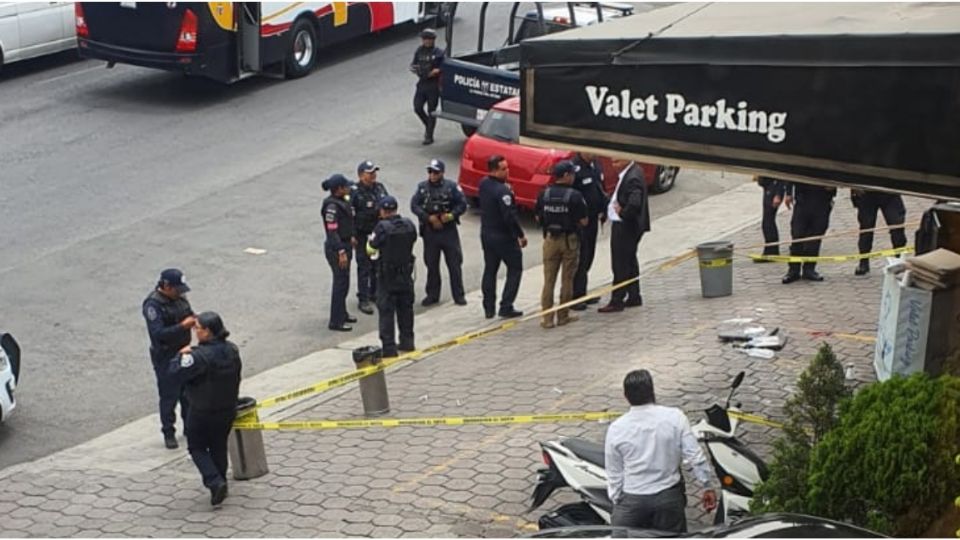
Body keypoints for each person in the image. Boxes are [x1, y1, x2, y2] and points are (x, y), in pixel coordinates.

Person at [605, 370, 717, 532]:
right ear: (652, 391)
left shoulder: (617, 428)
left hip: (632, 499)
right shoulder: (675, 417)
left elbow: (614, 471)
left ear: (625, 395)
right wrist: (707, 486)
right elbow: (695, 456)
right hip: (668, 498)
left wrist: (618, 500)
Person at [169, 311, 241, 507]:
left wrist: (180, 356)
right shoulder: (232, 350)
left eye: (197, 328)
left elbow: (176, 374)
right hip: (227, 409)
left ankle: (214, 481)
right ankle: (221, 482)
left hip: (203, 410)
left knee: (197, 447)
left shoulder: (199, 356)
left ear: (208, 332)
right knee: (218, 445)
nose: (195, 332)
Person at [142, 268, 196, 449]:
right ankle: (168, 432)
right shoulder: (153, 305)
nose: (180, 293)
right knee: (169, 396)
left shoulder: (180, 298)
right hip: (165, 355)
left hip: (184, 351)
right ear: (166, 286)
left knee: (187, 393)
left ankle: (190, 428)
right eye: (176, 289)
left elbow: (190, 313)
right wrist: (182, 326)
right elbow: (158, 334)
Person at [535, 160, 588, 329]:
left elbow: (537, 217)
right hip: (568, 240)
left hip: (550, 240)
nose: (574, 177)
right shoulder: (575, 196)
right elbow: (584, 220)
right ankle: (563, 315)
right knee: (567, 279)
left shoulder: (544, 194)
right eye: (572, 174)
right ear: (565, 176)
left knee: (548, 280)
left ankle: (547, 318)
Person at [410, 158, 468, 307]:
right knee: (432, 265)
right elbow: (414, 205)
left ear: (442, 173)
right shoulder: (422, 188)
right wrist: (428, 217)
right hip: (431, 231)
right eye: (430, 172)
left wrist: (450, 216)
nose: (432, 175)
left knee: (454, 264)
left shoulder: (451, 187)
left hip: (448, 231)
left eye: (435, 172)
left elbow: (462, 204)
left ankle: (459, 295)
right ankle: (432, 295)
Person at [366, 196, 418, 358]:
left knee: (387, 312)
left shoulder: (382, 227)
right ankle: (407, 341)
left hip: (387, 277)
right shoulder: (409, 224)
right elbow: (413, 240)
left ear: (382, 211)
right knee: (406, 310)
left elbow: (371, 248)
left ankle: (389, 348)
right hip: (406, 274)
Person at [479, 155, 527, 319]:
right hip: (503, 237)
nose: (508, 171)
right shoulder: (503, 191)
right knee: (515, 268)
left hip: (487, 233)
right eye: (503, 169)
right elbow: (509, 217)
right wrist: (520, 235)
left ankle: (488, 307)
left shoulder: (484, 184)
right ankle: (506, 305)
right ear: (493, 170)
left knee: (490, 269)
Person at [599, 160, 649, 313]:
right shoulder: (631, 171)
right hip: (628, 226)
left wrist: (622, 212)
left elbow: (634, 203)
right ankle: (634, 296)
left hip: (626, 227)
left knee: (620, 263)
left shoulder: (633, 177)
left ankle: (617, 300)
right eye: (613, 161)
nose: (614, 164)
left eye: (617, 161)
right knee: (630, 261)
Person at [570, 152, 609, 310]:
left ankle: (583, 291)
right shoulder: (575, 168)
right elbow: (571, 196)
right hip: (581, 222)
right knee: (580, 258)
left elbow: (600, 188)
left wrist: (604, 209)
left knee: (589, 256)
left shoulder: (596, 165)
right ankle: (576, 296)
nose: (595, 153)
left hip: (593, 219)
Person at [352, 160, 390, 315]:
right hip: (362, 235)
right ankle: (363, 298)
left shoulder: (379, 188)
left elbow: (387, 205)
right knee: (364, 267)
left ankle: (374, 293)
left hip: (377, 232)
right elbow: (350, 215)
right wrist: (352, 235)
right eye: (370, 172)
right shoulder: (354, 192)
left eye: (374, 172)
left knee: (377, 264)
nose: (373, 175)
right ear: (361, 175)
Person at [322, 173, 358, 331]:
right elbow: (332, 232)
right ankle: (335, 321)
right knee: (340, 283)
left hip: (345, 243)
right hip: (336, 248)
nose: (349, 189)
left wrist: (350, 237)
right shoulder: (331, 207)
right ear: (339, 189)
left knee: (345, 282)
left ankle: (342, 313)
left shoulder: (342, 201)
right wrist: (341, 251)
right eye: (346, 187)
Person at [782, 182, 836, 284]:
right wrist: (788, 193)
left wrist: (834, 186)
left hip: (822, 200)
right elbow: (791, 172)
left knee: (815, 236)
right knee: (797, 234)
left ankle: (809, 269)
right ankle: (793, 270)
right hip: (803, 199)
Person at [851, 189, 907, 275]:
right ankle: (863, 262)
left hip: (890, 191)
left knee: (897, 226)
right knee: (866, 228)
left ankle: (899, 259)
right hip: (866, 191)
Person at [410, 28, 444, 145]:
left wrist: (436, 71)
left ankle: (429, 135)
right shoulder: (419, 51)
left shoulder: (438, 53)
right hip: (422, 83)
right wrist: (418, 70)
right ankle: (428, 125)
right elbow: (414, 65)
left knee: (431, 111)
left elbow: (443, 67)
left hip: (433, 85)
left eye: (428, 39)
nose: (425, 41)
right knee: (417, 107)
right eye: (424, 39)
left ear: (433, 40)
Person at [757, 176, 786, 260]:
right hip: (769, 186)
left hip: (774, 187)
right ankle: (770, 250)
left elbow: (781, 176)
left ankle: (772, 251)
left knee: (768, 222)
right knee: (767, 222)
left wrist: (778, 194)